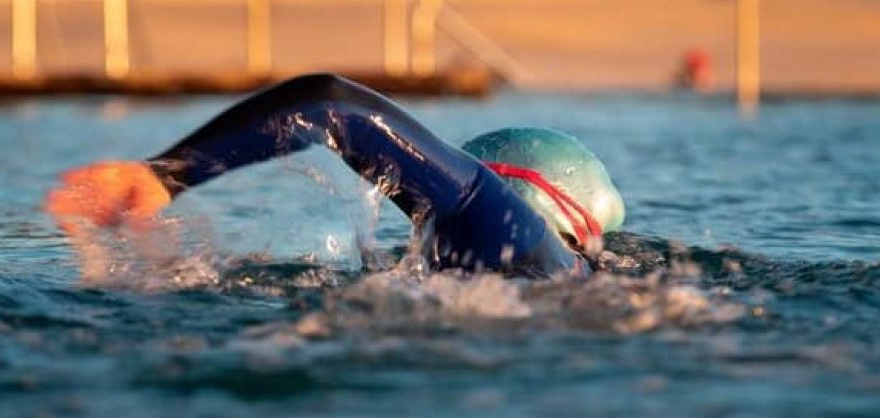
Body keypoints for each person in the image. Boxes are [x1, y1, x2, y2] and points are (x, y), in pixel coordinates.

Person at [46, 74, 625, 277]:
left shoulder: (505, 227)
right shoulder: (569, 278)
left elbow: (334, 104)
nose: (418, 227)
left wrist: (165, 177)